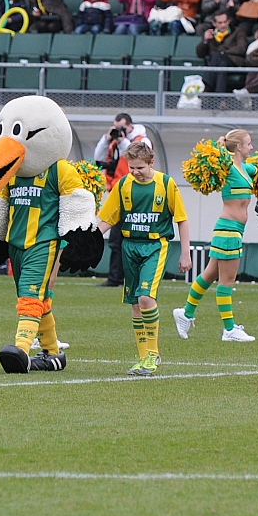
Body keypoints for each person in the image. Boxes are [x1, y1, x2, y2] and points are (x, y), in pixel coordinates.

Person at [97, 141, 192, 376]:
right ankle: (143, 358)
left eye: (139, 167)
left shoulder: (166, 184)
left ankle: (152, 354)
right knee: (135, 305)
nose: (135, 172)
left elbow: (181, 218)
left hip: (154, 246)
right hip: (129, 245)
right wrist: (86, 242)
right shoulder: (122, 185)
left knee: (145, 298)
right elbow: (107, 219)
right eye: (131, 168)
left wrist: (186, 252)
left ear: (151, 163)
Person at [173, 130, 258, 343]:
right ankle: (229, 329)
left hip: (233, 229)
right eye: (249, 144)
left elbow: (257, 167)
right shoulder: (228, 167)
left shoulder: (244, 168)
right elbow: (214, 161)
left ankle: (185, 313)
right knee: (227, 280)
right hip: (228, 229)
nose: (252, 147)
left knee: (209, 274)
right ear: (238, 147)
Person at [93, 113, 153, 287]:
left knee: (135, 237)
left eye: (122, 128)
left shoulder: (142, 140)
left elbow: (138, 156)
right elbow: (98, 158)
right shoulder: (116, 143)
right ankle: (115, 278)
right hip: (118, 194)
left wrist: (123, 141)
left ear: (130, 126)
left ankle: (133, 277)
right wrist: (107, 139)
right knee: (116, 239)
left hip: (137, 196)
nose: (120, 132)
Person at [196, 9, 247, 94]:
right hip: (219, 63)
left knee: (217, 56)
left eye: (225, 22)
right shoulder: (211, 34)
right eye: (220, 23)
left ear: (229, 21)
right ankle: (221, 98)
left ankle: (207, 89)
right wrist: (205, 41)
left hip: (234, 61)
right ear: (214, 23)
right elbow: (200, 54)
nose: (223, 25)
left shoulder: (238, 31)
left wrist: (223, 52)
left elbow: (241, 48)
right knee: (220, 63)